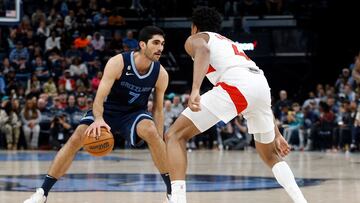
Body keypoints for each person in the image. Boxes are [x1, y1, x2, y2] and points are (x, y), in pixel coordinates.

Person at [165, 7, 307, 203]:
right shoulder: (229, 43)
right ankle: (301, 201)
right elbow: (253, 89)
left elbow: (203, 51)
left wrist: (196, 89)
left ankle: (177, 200)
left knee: (174, 135)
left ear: (194, 27)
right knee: (270, 155)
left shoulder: (197, 38)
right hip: (260, 84)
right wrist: (277, 133)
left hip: (236, 85)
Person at [24, 26, 171, 203]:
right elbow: (100, 97)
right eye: (155, 43)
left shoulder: (161, 73)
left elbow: (158, 109)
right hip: (107, 110)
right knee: (76, 138)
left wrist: (160, 138)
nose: (160, 48)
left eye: (162, 44)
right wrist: (99, 119)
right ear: (142, 44)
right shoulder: (119, 62)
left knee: (152, 132)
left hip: (133, 114)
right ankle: (42, 193)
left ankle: (172, 193)